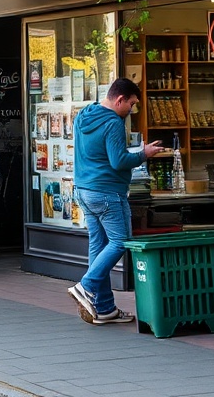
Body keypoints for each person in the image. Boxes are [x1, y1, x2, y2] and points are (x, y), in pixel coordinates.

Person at [68, 78, 164, 325]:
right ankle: (85, 286)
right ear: (119, 99)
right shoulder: (112, 123)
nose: (131, 110)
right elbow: (118, 161)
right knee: (121, 241)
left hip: (84, 190)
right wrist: (144, 154)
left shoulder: (85, 114)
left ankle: (103, 308)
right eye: (131, 104)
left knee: (98, 247)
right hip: (107, 192)